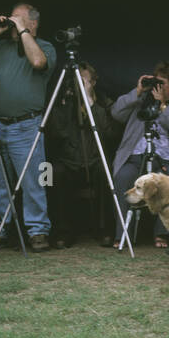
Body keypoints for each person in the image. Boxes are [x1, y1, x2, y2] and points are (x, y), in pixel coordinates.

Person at [0, 2, 57, 252]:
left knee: (34, 181)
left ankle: (38, 230)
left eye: (19, 19)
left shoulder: (45, 46)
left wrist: (23, 32)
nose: (12, 22)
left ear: (33, 23)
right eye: (11, 18)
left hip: (26, 126)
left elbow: (38, 63)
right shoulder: (1, 47)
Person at [111, 62, 169, 247]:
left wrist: (163, 107)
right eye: (155, 83)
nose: (157, 89)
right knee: (123, 178)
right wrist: (138, 91)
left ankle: (163, 234)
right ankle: (123, 232)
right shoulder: (140, 100)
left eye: (162, 84)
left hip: (166, 158)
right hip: (136, 156)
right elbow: (116, 113)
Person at [46, 62, 120, 249]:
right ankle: (63, 232)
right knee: (54, 173)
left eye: (83, 80)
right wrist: (64, 104)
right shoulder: (64, 101)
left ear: (93, 82)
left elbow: (110, 132)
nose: (78, 84)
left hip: (96, 159)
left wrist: (91, 102)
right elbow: (57, 132)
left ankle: (105, 230)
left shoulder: (104, 102)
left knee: (106, 172)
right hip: (70, 159)